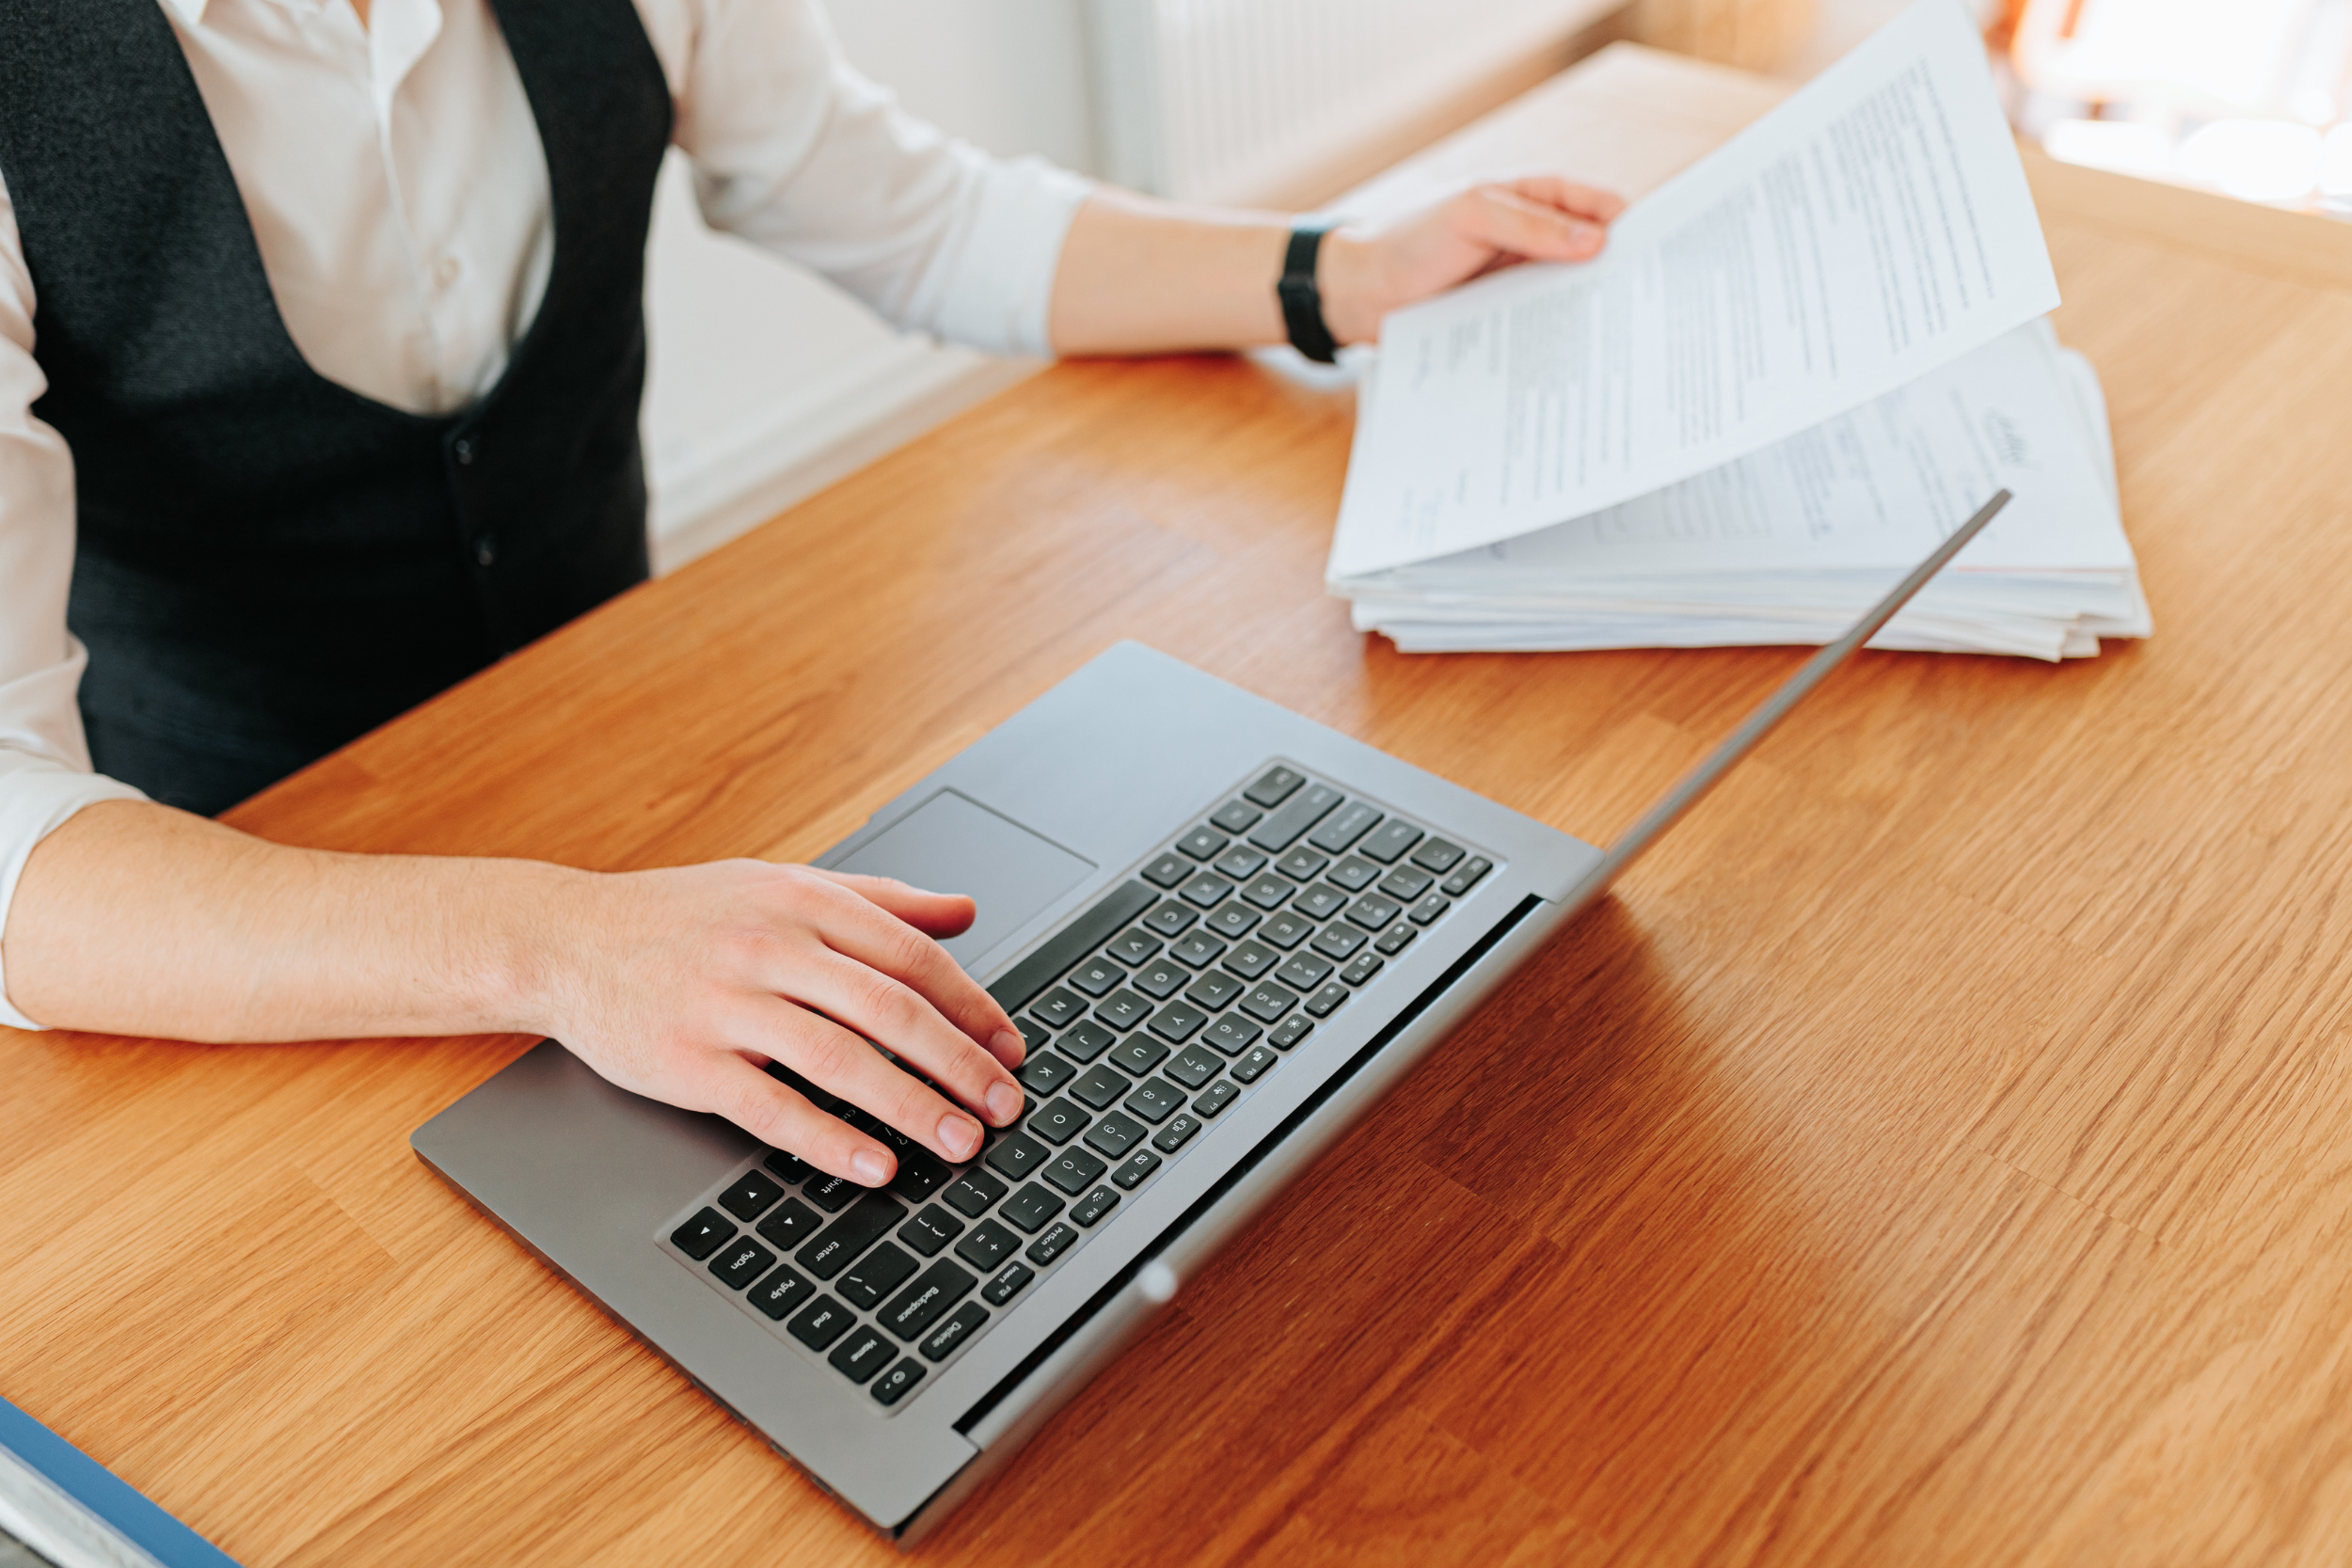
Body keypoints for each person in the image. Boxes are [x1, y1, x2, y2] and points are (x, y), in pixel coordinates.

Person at [0, 0, 1624, 1188]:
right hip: (252, 939)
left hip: (634, 800)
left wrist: (1325, 274)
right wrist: (556, 947)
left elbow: (909, 209)